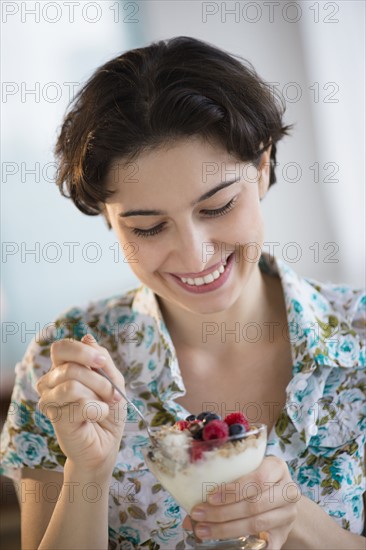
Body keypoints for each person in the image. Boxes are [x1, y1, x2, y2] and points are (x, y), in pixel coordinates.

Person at [0, 36, 365, 550]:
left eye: (216, 208)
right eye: (149, 228)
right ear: (109, 219)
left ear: (261, 169)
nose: (195, 257)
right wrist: (88, 472)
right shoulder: (65, 368)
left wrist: (302, 523)